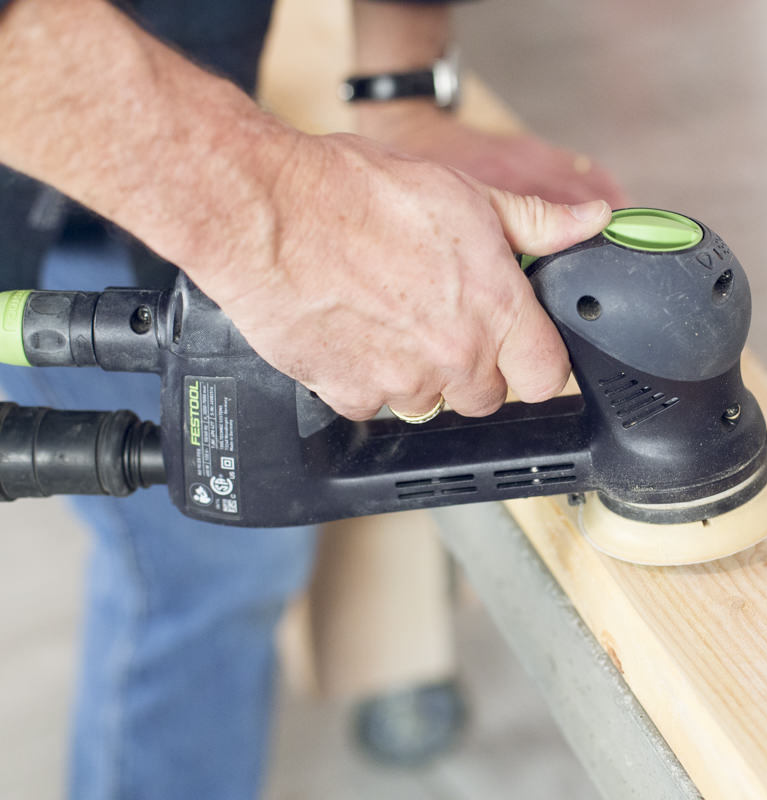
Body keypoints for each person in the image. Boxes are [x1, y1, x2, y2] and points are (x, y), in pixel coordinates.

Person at [0, 0, 624, 797]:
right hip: (51, 195)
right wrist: (273, 213)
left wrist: (402, 96)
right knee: (207, 562)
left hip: (188, 125)